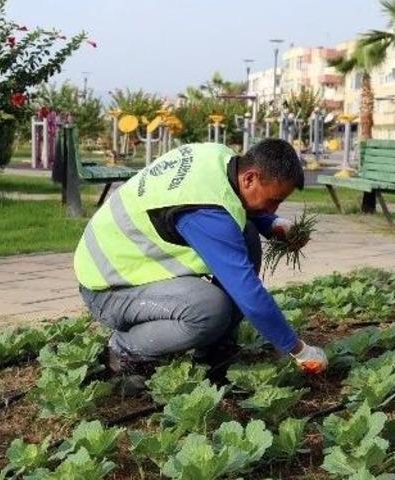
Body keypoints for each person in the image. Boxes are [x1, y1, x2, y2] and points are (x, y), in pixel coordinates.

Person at [73, 139, 328, 384]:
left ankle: (215, 348)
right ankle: (124, 350)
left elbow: (231, 202)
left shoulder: (220, 158)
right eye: (273, 201)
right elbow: (250, 296)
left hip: (126, 267)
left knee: (246, 233)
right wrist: (299, 350)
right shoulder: (207, 215)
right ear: (250, 177)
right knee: (209, 309)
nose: (273, 208)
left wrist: (271, 224)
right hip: (108, 289)